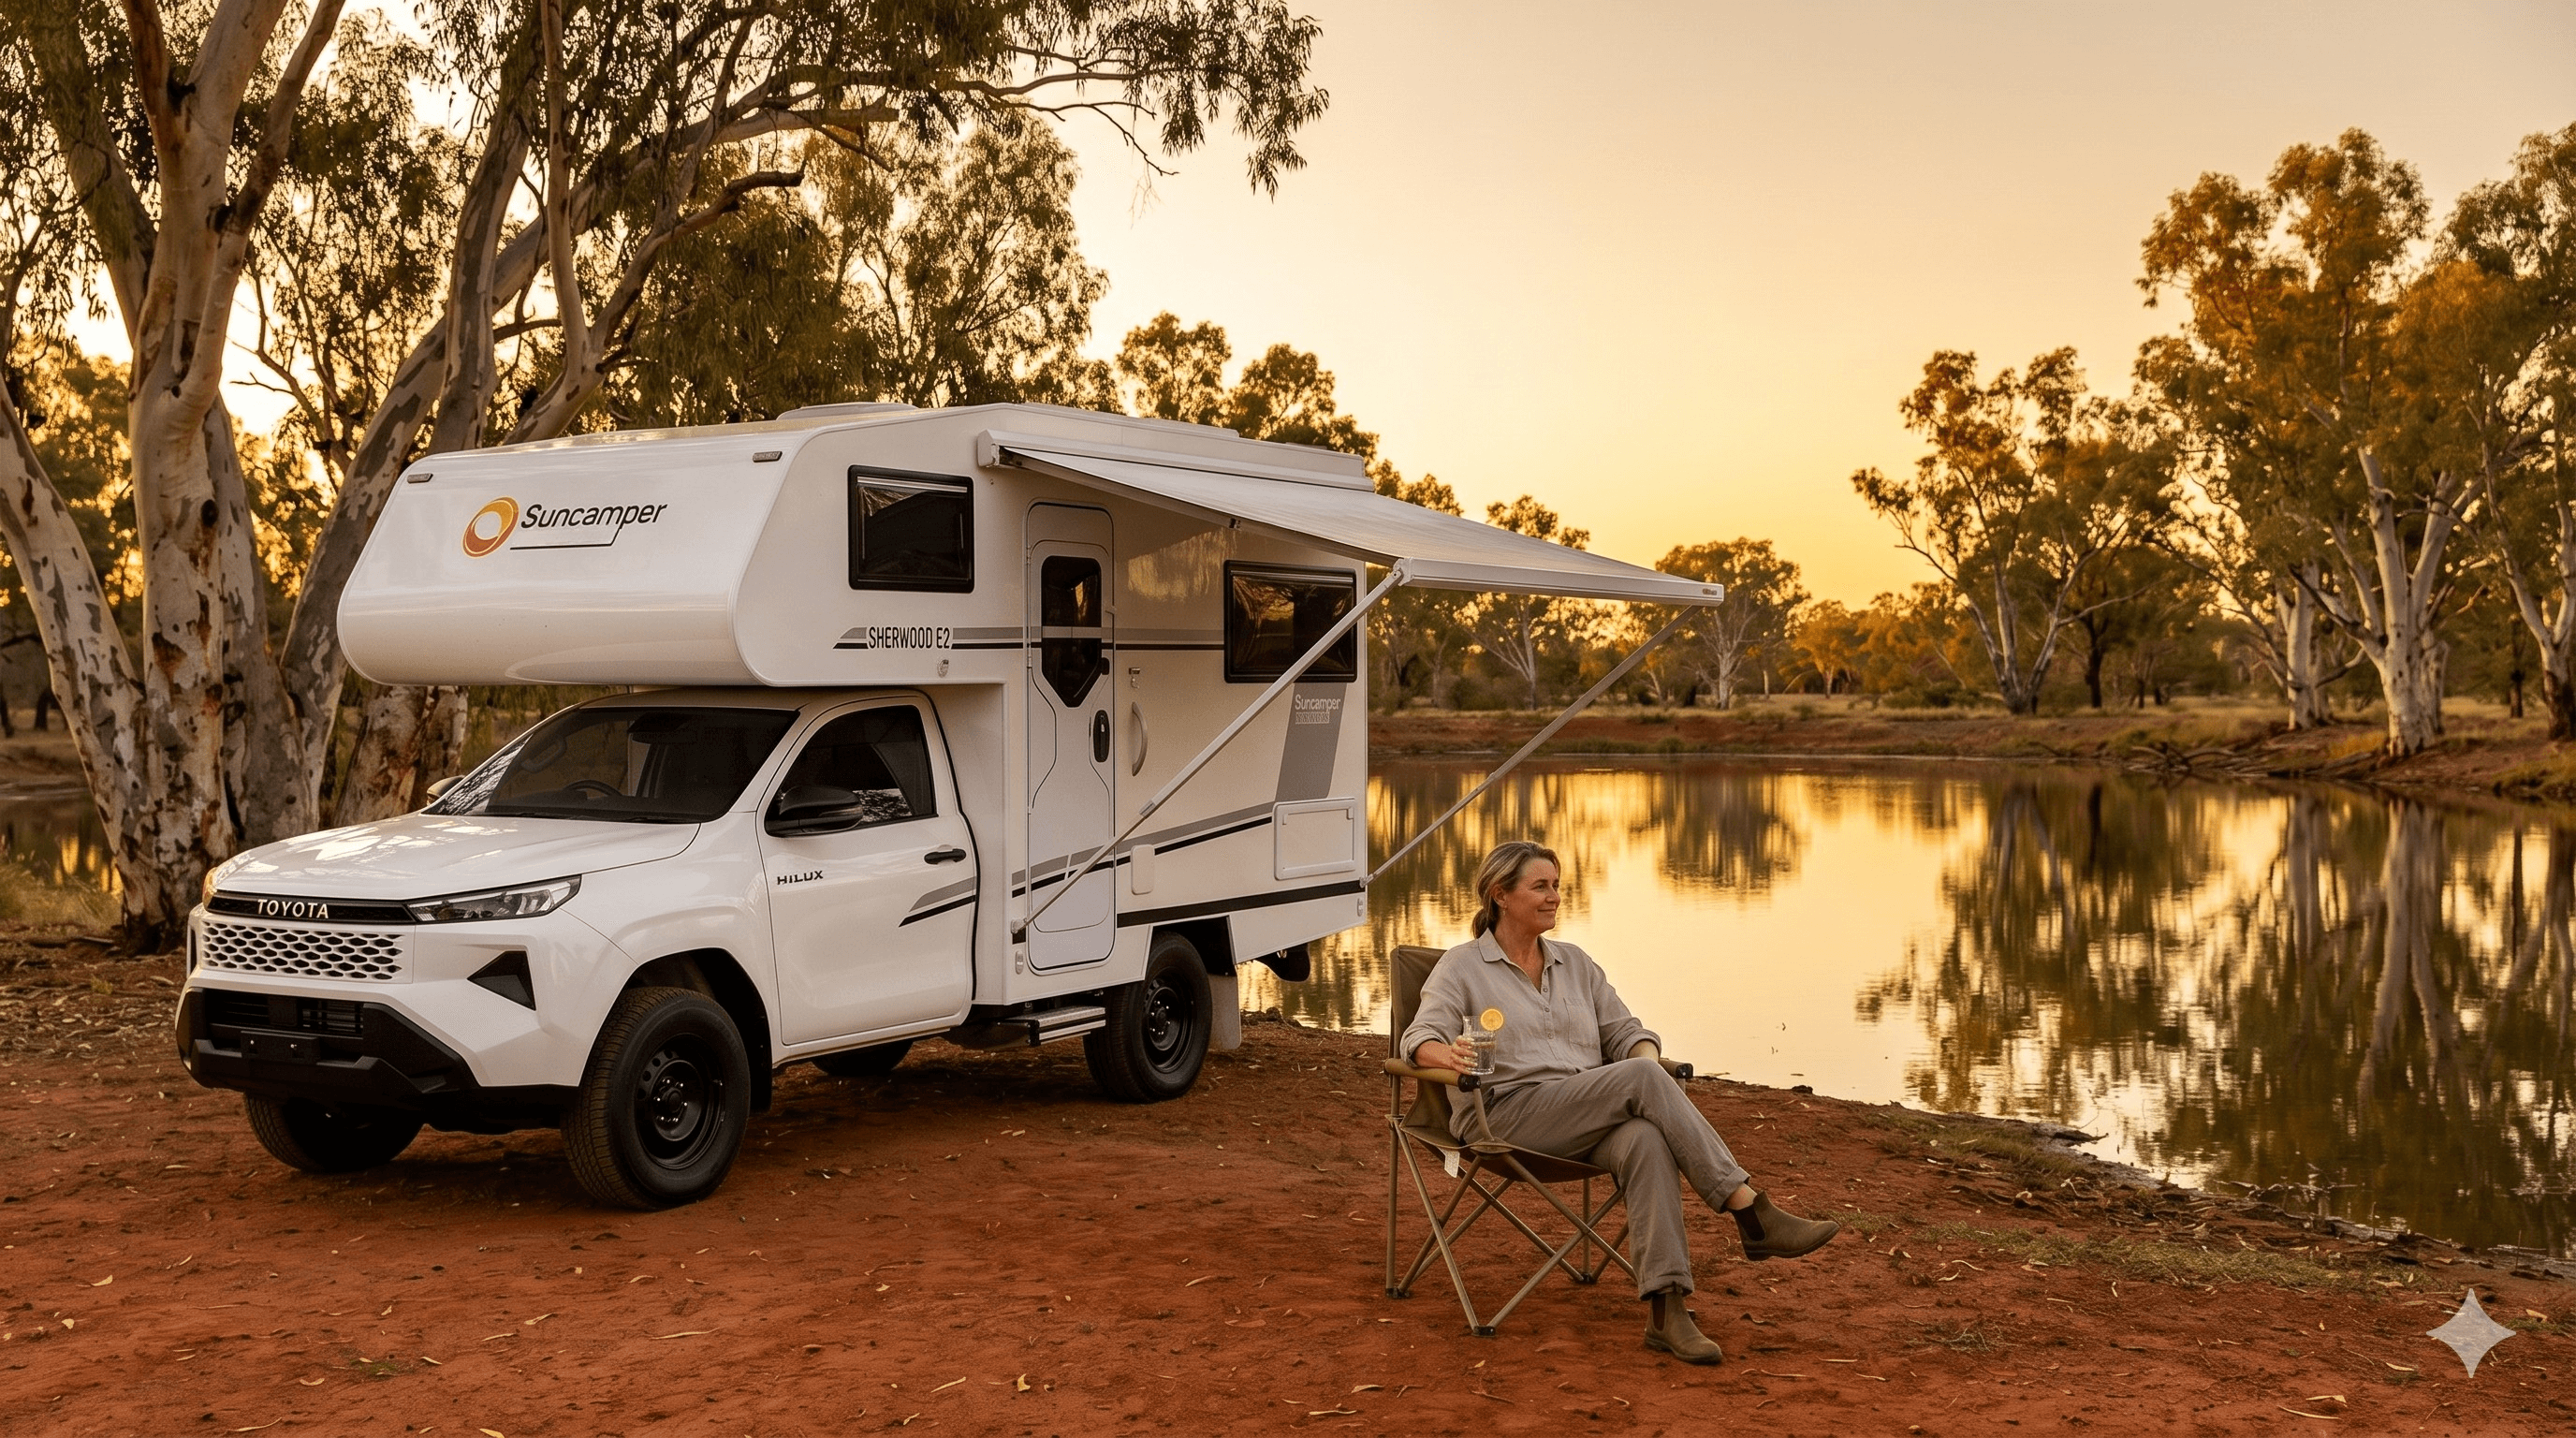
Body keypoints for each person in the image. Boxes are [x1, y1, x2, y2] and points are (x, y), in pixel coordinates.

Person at [1402, 839, 1839, 1364]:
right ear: (1500, 894)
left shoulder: (1577, 964)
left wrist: (1646, 1056)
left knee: (1645, 1137)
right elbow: (1419, 1036)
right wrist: (1445, 1055)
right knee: (1640, 1078)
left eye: (1557, 886)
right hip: (1504, 1116)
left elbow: (1628, 1033)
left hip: (1587, 1112)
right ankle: (1751, 1212)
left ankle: (1667, 1310)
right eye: (1540, 886)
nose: (1554, 897)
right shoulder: (1462, 967)